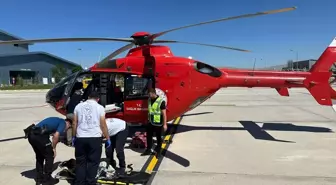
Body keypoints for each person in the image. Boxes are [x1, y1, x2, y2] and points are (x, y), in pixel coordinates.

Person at [72, 90, 111, 185]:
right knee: (93, 162)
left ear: (88, 97)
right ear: (97, 99)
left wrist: (74, 136)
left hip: (81, 137)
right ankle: (90, 182)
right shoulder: (99, 107)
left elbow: (74, 123)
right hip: (94, 138)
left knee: (80, 162)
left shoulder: (78, 106)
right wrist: (107, 138)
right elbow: (103, 124)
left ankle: (79, 182)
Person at [25, 117, 72, 185]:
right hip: (39, 136)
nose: (65, 130)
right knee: (50, 155)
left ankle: (39, 179)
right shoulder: (63, 123)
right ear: (68, 124)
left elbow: (48, 135)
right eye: (68, 128)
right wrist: (53, 149)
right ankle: (47, 180)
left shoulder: (56, 120)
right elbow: (56, 136)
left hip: (31, 135)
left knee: (39, 156)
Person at [141, 88, 167, 157]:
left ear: (153, 93)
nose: (149, 96)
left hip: (158, 122)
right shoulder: (149, 100)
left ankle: (158, 151)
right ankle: (148, 150)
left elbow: (164, 114)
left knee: (158, 137)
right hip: (150, 122)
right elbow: (150, 111)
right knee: (149, 136)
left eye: (149, 94)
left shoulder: (161, 101)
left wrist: (165, 124)